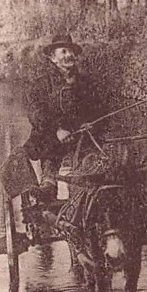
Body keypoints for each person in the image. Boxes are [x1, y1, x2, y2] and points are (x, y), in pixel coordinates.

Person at [22, 34, 104, 200]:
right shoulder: (41, 84)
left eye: (71, 51)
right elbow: (36, 113)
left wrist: (91, 124)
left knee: (88, 171)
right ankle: (48, 184)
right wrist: (57, 130)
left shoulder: (86, 82)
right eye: (63, 51)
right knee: (50, 161)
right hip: (52, 139)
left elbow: (99, 109)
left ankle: (81, 198)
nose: (69, 55)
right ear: (53, 58)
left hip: (82, 138)